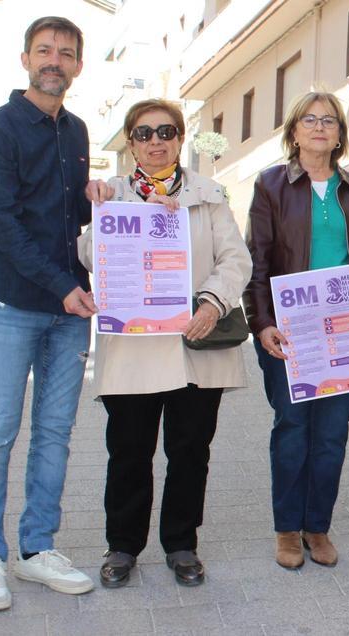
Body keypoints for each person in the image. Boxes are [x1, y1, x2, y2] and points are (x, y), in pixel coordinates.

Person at [79, 99, 252, 588]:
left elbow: (235, 260)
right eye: (144, 133)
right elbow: (91, 255)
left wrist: (211, 305)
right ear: (130, 142)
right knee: (129, 453)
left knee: (190, 451)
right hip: (133, 351)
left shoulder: (209, 193)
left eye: (167, 131)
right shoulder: (110, 194)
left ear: (180, 138)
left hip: (194, 345)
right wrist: (122, 218)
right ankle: (122, 546)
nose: (156, 141)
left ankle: (181, 544)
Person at [0, 16, 96, 612]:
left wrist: (100, 200)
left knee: (54, 435)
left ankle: (36, 548)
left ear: (77, 66)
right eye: (44, 51)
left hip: (70, 311)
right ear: (25, 60)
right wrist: (62, 286)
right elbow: (6, 225)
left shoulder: (77, 133)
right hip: (9, 305)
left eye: (65, 53)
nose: (54, 61)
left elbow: (72, 221)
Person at [244, 91, 349, 570]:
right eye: (310, 119)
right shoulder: (270, 186)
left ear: (341, 133)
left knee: (332, 434)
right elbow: (256, 261)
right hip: (289, 329)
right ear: (294, 130)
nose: (320, 126)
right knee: (293, 429)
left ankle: (317, 526)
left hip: (344, 328)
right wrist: (260, 323)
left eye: (330, 120)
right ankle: (286, 527)